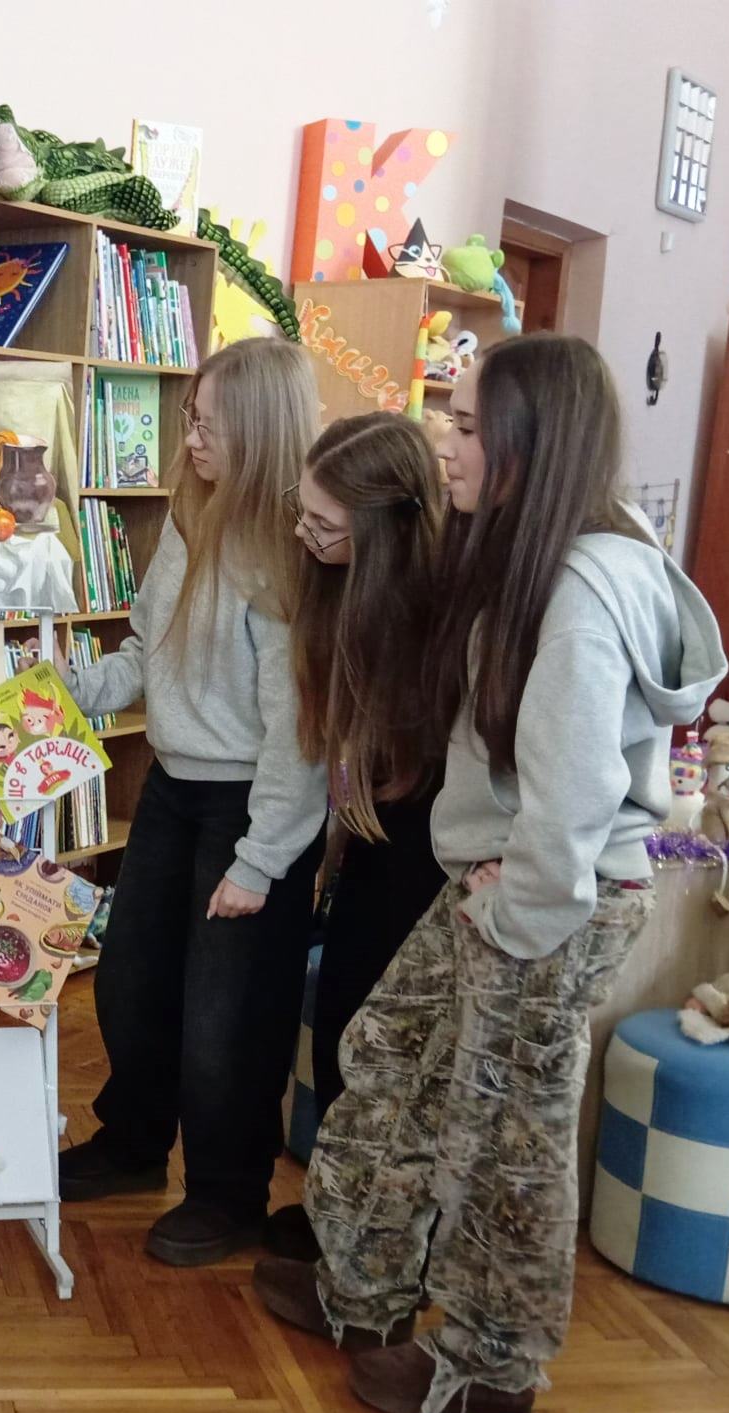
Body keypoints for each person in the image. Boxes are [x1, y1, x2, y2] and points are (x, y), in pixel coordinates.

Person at [253, 335, 727, 1413]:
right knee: (387, 1056)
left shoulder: (577, 590)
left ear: (529, 441)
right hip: (497, 879)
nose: (445, 443)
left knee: (507, 1134)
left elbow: (573, 793)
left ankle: (490, 1361)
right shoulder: (532, 556)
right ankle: (361, 1287)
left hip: (545, 902)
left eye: (467, 425)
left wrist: (519, 906)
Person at [57, 336, 329, 1267]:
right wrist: (71, 689)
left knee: (228, 1019)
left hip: (254, 807)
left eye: (208, 423)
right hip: (176, 787)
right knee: (130, 982)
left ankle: (228, 1192)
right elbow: (149, 650)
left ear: (259, 430)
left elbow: (301, 733)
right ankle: (135, 1144)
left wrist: (261, 860)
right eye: (190, 417)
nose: (191, 436)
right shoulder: (188, 514)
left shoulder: (289, 556)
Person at [263, 412, 451, 1262]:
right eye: (300, 512)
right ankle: (337, 1212)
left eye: (324, 524)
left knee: (388, 1045)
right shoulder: (337, 584)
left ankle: (376, 1239)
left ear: (384, 528)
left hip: (424, 849)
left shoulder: (438, 614)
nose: (304, 536)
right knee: (340, 1021)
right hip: (370, 839)